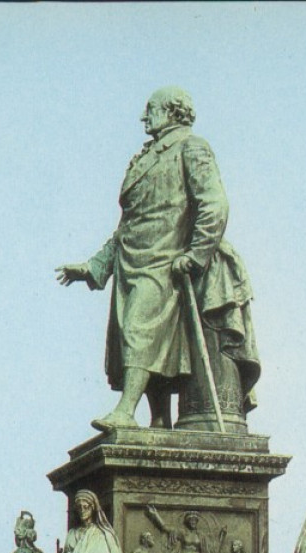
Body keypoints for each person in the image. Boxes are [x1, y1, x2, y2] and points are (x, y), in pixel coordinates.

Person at [56, 87, 260, 432]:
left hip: (165, 260)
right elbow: (129, 225)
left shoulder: (192, 147)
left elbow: (214, 204)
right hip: (132, 262)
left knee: (141, 330)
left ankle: (124, 411)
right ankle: (159, 418)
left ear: (173, 112)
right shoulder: (145, 157)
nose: (144, 116)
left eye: (151, 109)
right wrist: (94, 266)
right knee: (137, 339)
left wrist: (196, 255)